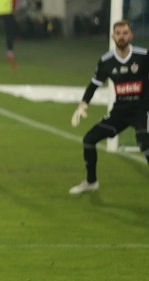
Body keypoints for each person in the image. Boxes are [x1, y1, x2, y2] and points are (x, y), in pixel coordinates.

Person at [69, 20, 149, 195]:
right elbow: (94, 85)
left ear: (131, 35)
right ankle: (91, 182)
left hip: (142, 110)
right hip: (120, 111)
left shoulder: (143, 56)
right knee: (89, 140)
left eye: (125, 33)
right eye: (118, 33)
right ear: (112, 36)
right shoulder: (106, 61)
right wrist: (82, 106)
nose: (122, 36)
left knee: (145, 144)